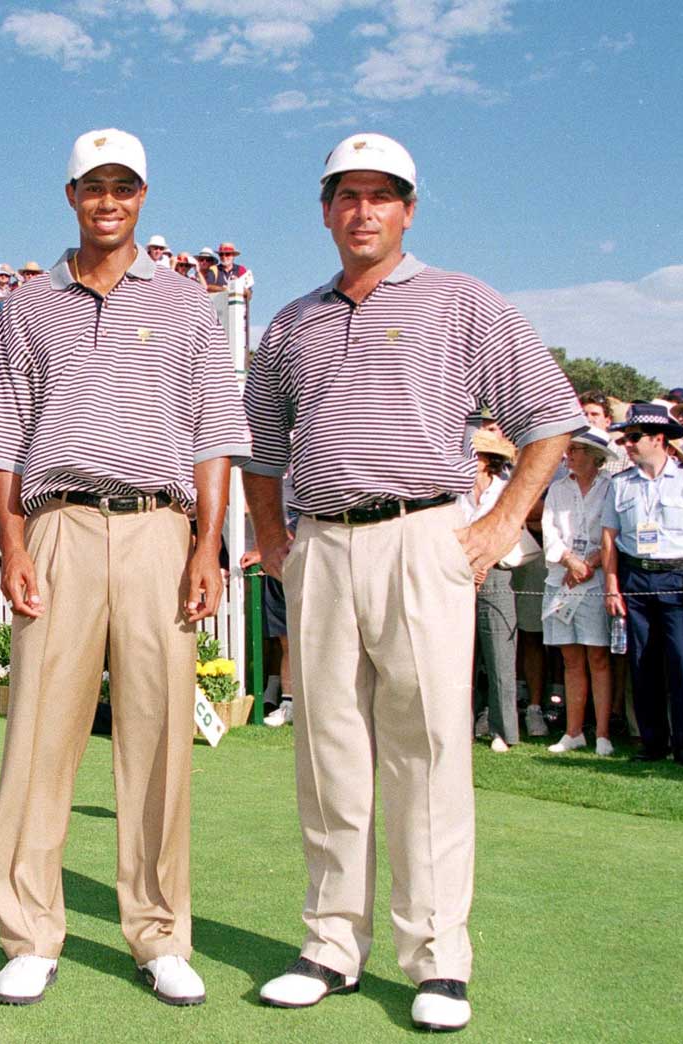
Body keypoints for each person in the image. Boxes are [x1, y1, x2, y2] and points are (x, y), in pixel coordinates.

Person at [242, 132, 579, 1031]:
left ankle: (436, 957)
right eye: (347, 195)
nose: (363, 211)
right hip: (321, 543)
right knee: (328, 752)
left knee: (427, 750)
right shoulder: (292, 320)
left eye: (381, 196)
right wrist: (273, 535)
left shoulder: (463, 302)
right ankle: (329, 943)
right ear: (324, 210)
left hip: (423, 535)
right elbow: (263, 444)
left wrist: (502, 521)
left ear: (409, 209)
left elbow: (551, 417)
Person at [0, 129, 250, 1009]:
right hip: (54, 526)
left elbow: (213, 431)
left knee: (161, 735)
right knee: (38, 735)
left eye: (124, 186)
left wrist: (207, 545)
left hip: (159, 529)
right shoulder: (27, 305)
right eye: (93, 186)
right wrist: (12, 542)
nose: (109, 200)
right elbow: (3, 432)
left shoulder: (184, 304)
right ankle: (30, 931)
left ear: (142, 195)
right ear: (70, 196)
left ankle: (160, 932)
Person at [602, 402, 683, 768]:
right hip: (635, 575)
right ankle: (653, 742)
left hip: (676, 576)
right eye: (625, 437)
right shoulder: (620, 484)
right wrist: (612, 584)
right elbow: (609, 537)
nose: (628, 444)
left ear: (658, 439)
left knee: (681, 660)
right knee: (642, 660)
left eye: (634, 437)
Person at [541, 430, 618, 755]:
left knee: (597, 656)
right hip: (561, 579)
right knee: (571, 658)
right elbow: (550, 531)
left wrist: (589, 565)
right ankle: (573, 732)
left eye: (575, 450)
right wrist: (571, 562)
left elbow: (614, 532)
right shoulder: (558, 488)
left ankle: (602, 734)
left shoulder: (610, 487)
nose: (568, 455)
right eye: (568, 449)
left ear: (593, 456)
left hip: (596, 581)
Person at [468, 430, 521, 752]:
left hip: (497, 577)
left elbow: (509, 532)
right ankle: (462, 727)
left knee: (500, 657)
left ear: (488, 461)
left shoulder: (504, 491)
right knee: (460, 659)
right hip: (458, 577)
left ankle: (504, 731)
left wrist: (484, 563)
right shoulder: (455, 491)